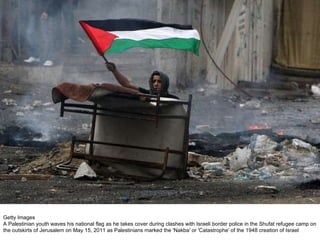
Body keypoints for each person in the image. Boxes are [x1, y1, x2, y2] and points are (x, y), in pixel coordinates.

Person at [105, 62, 179, 99]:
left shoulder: (173, 99)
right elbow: (126, 84)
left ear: (165, 83)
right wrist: (114, 70)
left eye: (159, 81)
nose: (156, 84)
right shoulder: (146, 94)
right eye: (154, 81)